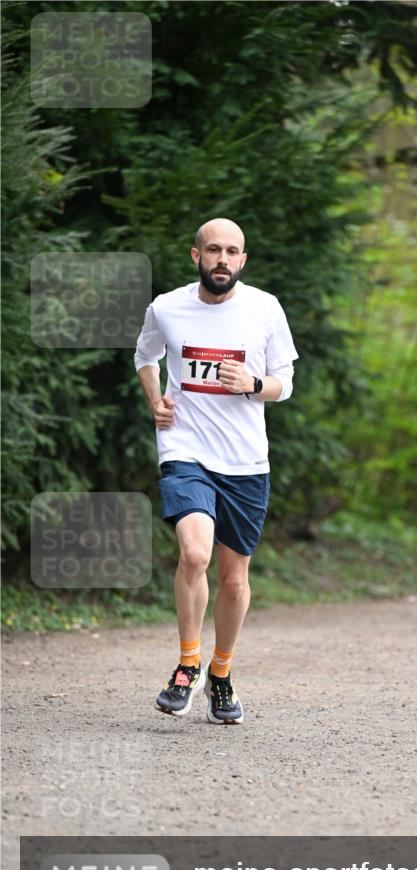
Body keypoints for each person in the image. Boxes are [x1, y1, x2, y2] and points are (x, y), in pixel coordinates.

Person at [134, 217, 298, 725]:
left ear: (242, 260)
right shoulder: (167, 307)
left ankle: (220, 674)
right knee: (194, 553)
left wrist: (253, 384)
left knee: (233, 579)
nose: (222, 259)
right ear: (196, 256)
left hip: (245, 461)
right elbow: (145, 355)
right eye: (213, 250)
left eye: (231, 251)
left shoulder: (265, 308)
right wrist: (155, 400)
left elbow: (285, 381)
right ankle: (188, 666)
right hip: (185, 449)